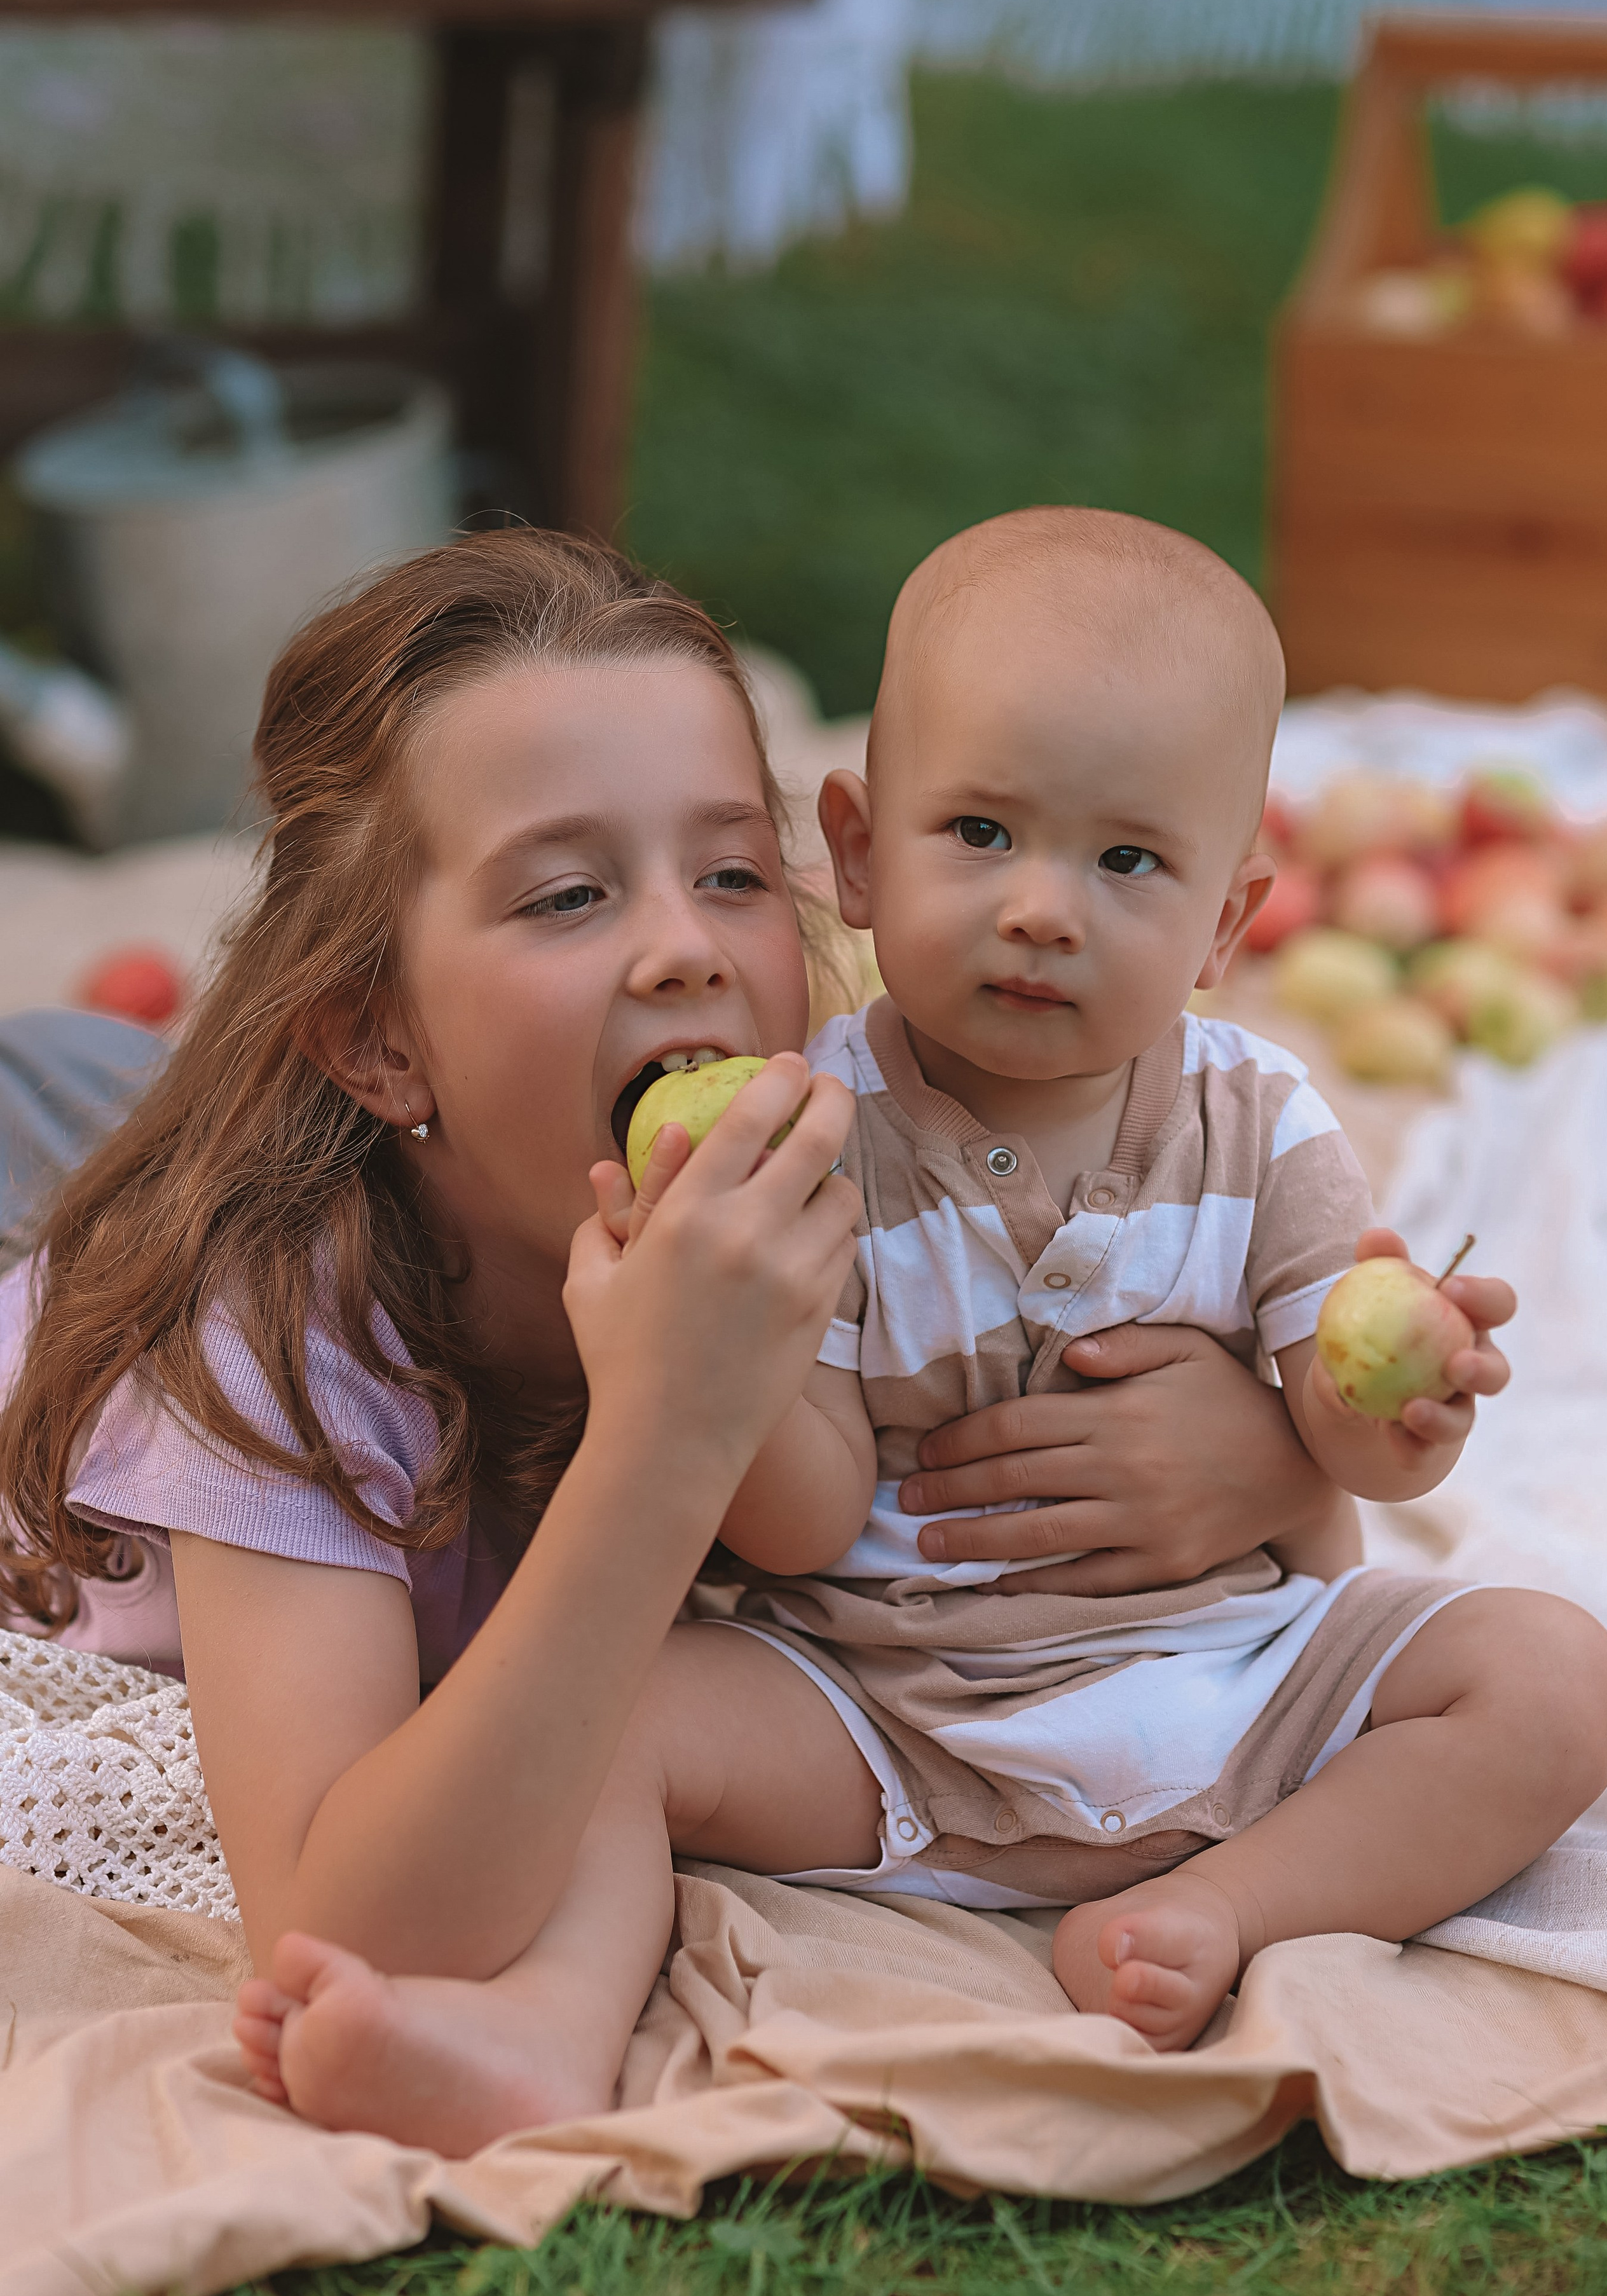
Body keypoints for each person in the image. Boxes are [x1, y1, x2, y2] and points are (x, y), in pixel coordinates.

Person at [0, 528, 1347, 2157]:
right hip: (105, 1292)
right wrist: (666, 1433)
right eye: (569, 894)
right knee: (69, 1116)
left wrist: (1269, 1453)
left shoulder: (846, 1179)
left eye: (727, 873)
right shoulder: (264, 1339)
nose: (687, 948)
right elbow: (340, 1918)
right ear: (376, 1034)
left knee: (95, 1082)